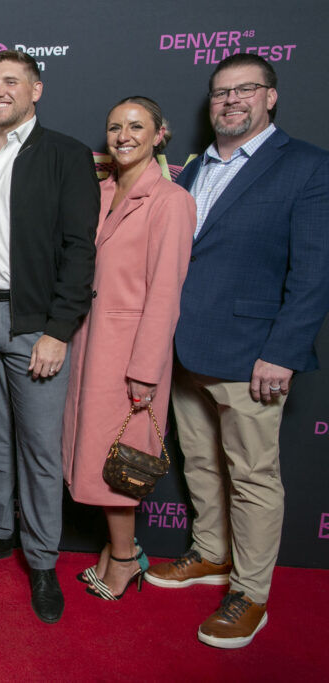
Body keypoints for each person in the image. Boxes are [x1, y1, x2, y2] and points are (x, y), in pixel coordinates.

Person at [144, 54, 329, 649]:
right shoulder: (194, 169)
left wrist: (284, 351)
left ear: (270, 97)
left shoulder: (304, 166)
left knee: (252, 477)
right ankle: (210, 553)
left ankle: (249, 592)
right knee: (198, 463)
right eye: (220, 92)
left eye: (245, 90)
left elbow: (314, 273)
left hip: (253, 355)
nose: (230, 101)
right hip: (186, 347)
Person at [0, 50, 99, 623]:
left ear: (37, 89)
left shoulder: (65, 153)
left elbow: (81, 251)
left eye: (11, 81)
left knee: (38, 448)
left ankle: (40, 560)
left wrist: (60, 331)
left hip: (33, 323)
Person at [61, 97, 195, 600]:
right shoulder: (99, 193)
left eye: (136, 126)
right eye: (115, 126)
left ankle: (124, 558)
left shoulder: (170, 201)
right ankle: (117, 550)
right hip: (86, 345)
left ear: (160, 134)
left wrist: (145, 370)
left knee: (120, 462)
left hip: (129, 354)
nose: (123, 135)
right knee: (94, 455)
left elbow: (166, 292)